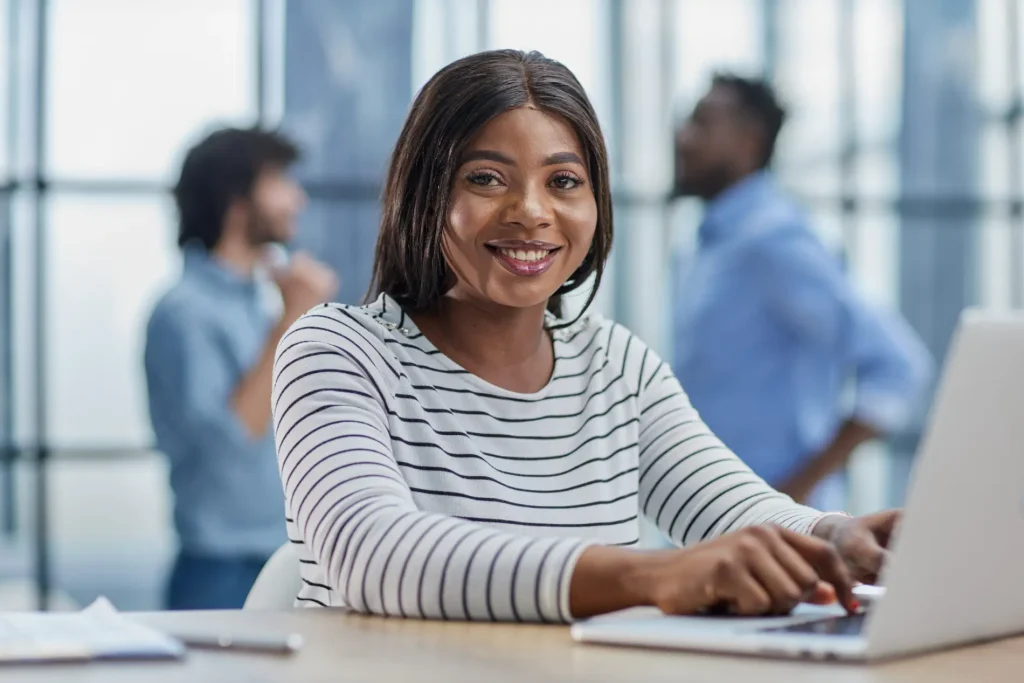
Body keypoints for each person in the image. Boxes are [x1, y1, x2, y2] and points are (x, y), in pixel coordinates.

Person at [272, 50, 898, 622]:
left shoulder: (617, 365)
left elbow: (731, 506)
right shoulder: (336, 351)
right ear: (424, 194)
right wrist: (654, 574)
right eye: (487, 178)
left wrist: (834, 538)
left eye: (564, 181)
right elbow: (373, 556)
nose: (531, 211)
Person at [671, 75, 932, 510]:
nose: (683, 138)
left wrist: (793, 490)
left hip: (777, 535)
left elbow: (898, 366)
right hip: (716, 524)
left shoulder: (774, 240)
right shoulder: (707, 244)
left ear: (749, 141)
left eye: (702, 123)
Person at [145, 127, 338, 609]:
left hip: (286, 556)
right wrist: (293, 315)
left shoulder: (257, 304)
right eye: (278, 182)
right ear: (237, 202)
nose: (297, 198)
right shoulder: (183, 311)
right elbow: (232, 435)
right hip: (220, 572)